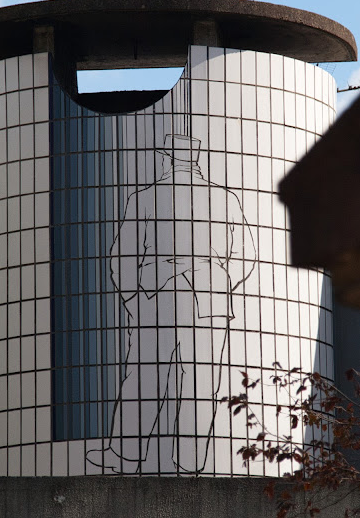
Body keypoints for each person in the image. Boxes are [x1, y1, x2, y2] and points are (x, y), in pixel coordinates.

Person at [86, 134, 256, 473]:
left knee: (142, 378)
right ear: (194, 161)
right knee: (203, 383)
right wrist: (220, 284)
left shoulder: (144, 198)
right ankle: (192, 463)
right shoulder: (226, 199)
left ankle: (124, 456)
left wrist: (135, 300)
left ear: (167, 159)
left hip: (156, 297)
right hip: (210, 303)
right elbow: (246, 257)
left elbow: (121, 260)